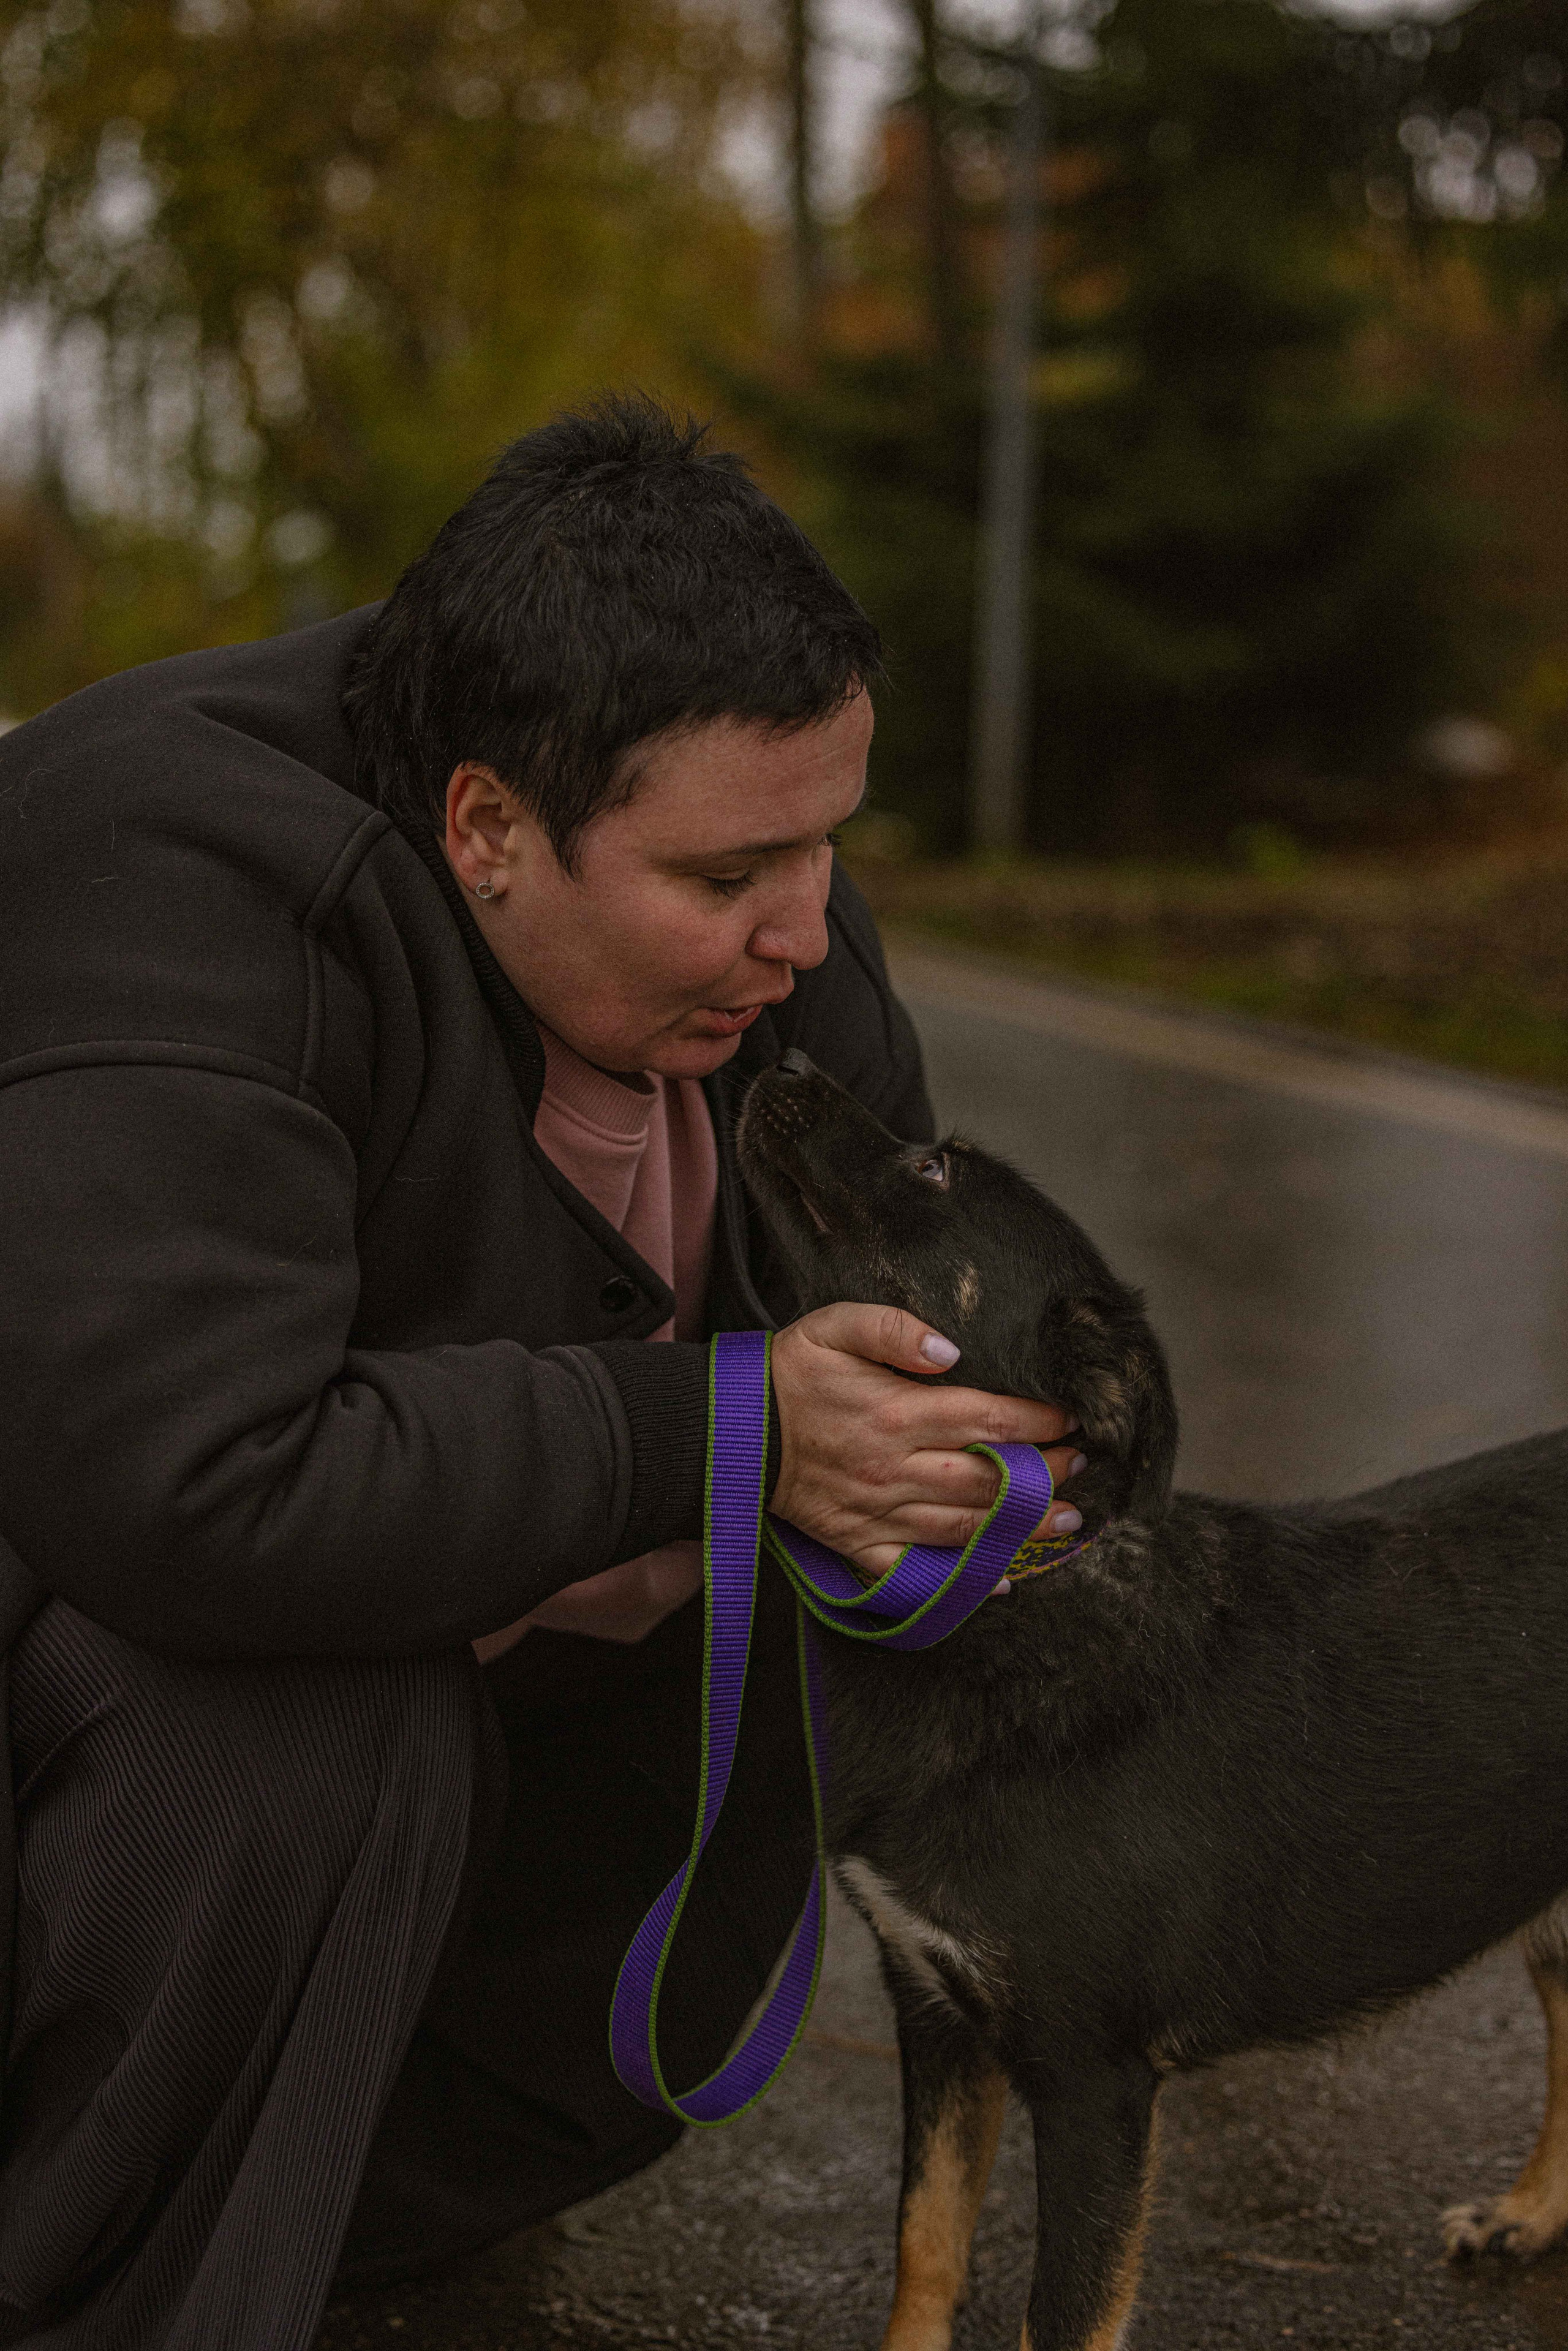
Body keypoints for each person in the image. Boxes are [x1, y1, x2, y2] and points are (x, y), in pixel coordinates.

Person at [0, 396, 1081, 2349]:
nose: (806, 927)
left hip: (435, 1729)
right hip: (101, 1693)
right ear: (487, 825)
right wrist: (725, 1427)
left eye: (830, 840)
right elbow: (194, 1485)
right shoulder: (169, 874)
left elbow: (920, 1315)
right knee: (317, 1731)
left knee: (829, 1651)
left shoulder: (769, 935)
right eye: (731, 871)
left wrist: (965, 1462)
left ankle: (319, 2213)